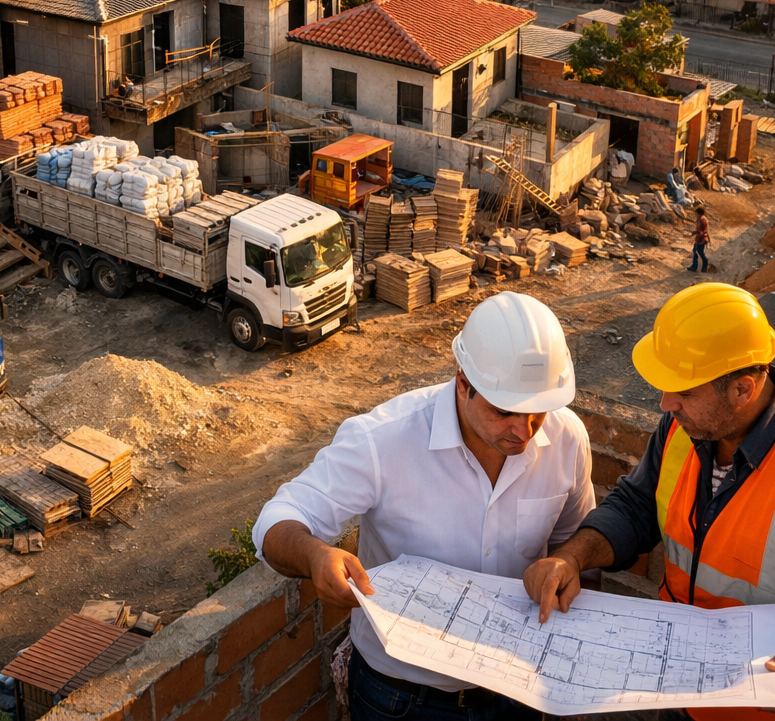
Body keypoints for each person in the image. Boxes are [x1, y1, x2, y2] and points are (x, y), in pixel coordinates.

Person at [522, 284, 775, 721]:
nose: (665, 404)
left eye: (684, 391)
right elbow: (636, 507)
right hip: (687, 697)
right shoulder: (685, 427)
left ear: (742, 389)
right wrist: (571, 556)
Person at [254, 292, 595, 721]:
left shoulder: (567, 440)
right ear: (463, 382)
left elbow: (576, 544)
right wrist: (314, 555)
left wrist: (567, 564)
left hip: (515, 688)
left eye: (537, 412)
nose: (523, 431)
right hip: (400, 699)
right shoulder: (382, 441)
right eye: (504, 411)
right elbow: (277, 520)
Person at [688, 206, 709, 273]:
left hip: (701, 239)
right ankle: (702, 267)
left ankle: (696, 266)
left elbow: (701, 231)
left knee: (698, 252)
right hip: (702, 238)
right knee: (698, 252)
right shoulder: (703, 219)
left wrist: (695, 234)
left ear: (698, 213)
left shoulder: (701, 220)